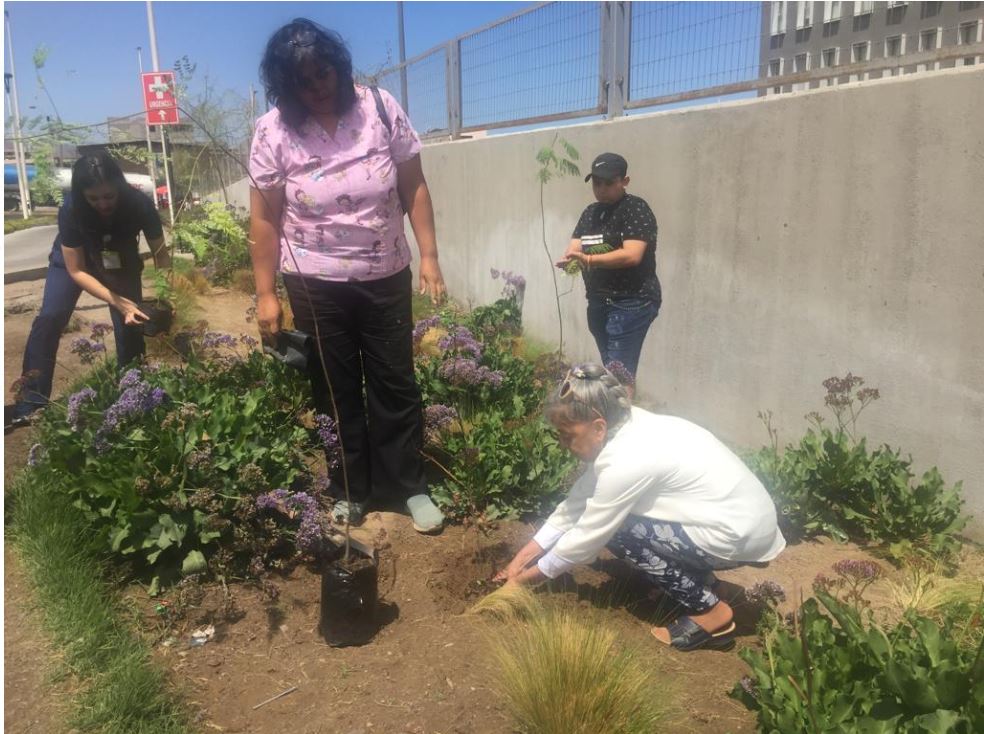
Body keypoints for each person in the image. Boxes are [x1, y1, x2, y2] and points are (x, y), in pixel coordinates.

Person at [248, 18, 447, 533]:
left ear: (338, 64)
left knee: (394, 379)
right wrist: (265, 294)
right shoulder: (273, 130)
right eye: (304, 81)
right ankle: (349, 488)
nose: (317, 87)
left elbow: (415, 187)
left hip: (385, 273)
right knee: (333, 387)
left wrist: (429, 256)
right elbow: (265, 218)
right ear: (285, 84)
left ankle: (407, 486)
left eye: (324, 73)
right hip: (314, 283)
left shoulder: (379, 108)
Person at [495, 363, 786, 652]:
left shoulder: (628, 459)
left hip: (736, 534)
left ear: (598, 427)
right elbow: (577, 502)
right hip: (741, 520)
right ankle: (708, 587)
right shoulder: (628, 425)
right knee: (623, 522)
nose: (562, 443)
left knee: (619, 530)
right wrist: (522, 558)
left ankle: (712, 612)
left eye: (567, 434)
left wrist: (523, 582)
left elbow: (587, 536)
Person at [6, 153, 168, 431]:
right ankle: (31, 402)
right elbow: (77, 270)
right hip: (73, 261)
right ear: (82, 195)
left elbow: (161, 253)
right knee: (50, 317)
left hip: (120, 260)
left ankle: (133, 395)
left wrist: (166, 293)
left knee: (130, 324)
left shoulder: (139, 204)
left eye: (109, 196)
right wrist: (117, 300)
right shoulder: (71, 209)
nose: (103, 204)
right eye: (94, 199)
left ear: (119, 186)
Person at [555, 153, 661, 383]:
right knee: (612, 368)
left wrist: (588, 260)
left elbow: (632, 255)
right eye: (596, 183)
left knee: (618, 374)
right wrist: (570, 259)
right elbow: (575, 245)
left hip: (631, 302)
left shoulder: (635, 209)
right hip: (598, 301)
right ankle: (618, 411)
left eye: (608, 183)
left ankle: (619, 415)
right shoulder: (591, 212)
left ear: (625, 181)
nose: (601, 189)